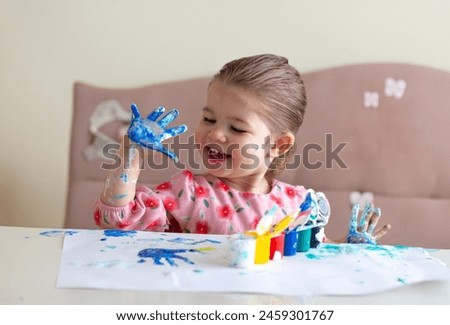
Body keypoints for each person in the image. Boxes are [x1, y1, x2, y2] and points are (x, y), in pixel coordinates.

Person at [94, 54, 390, 243]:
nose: (215, 132)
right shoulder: (187, 193)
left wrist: (350, 250)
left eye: (236, 128)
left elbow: (312, 259)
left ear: (277, 145)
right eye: (208, 118)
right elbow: (117, 223)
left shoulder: (296, 205)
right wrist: (131, 154)